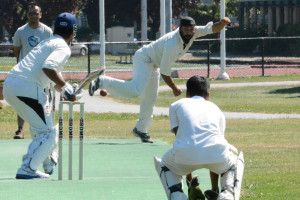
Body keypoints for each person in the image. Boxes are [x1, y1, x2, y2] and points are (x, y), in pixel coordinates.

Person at [89, 16, 231, 143]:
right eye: (186, 30)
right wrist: (174, 88)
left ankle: (141, 129)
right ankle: (102, 81)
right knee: (136, 90)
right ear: (180, 29)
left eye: (191, 30)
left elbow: (211, 28)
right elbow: (165, 72)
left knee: (150, 98)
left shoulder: (193, 32)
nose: (189, 32)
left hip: (154, 64)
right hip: (145, 58)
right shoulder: (172, 44)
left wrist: (222, 23)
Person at [3, 12, 82, 179]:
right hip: (27, 87)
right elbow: (48, 68)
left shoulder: (49, 42)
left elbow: (51, 78)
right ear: (73, 32)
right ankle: (28, 167)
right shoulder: (63, 47)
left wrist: (67, 90)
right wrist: (66, 86)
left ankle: (46, 162)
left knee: (41, 131)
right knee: (50, 134)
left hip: (11, 85)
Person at [153, 76, 244, 200]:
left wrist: (191, 185)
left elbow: (183, 141)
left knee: (164, 164)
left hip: (184, 158)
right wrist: (214, 189)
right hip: (217, 156)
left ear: (187, 94)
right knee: (233, 163)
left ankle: (177, 195)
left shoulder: (176, 105)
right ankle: (226, 194)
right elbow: (215, 145)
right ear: (208, 96)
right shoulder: (216, 109)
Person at [12, 3, 53, 139]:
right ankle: (20, 130)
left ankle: (43, 130)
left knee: (42, 101)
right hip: (24, 74)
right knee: (22, 100)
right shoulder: (20, 31)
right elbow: (17, 52)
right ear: (27, 16)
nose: (33, 16)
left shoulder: (47, 32)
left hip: (42, 74)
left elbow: (50, 52)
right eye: (30, 13)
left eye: (36, 13)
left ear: (40, 15)